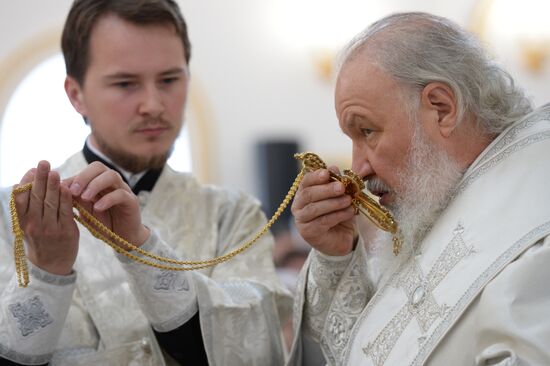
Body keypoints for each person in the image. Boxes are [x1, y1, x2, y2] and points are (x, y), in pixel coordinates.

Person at [0, 0, 292, 365]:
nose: (153, 105)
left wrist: (142, 249)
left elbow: (257, 351)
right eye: (125, 84)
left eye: (169, 80)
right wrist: (46, 269)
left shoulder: (231, 215)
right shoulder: (11, 217)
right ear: (76, 95)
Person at [287, 12, 550, 366]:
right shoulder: (438, 202)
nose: (358, 168)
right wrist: (337, 257)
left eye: (367, 131)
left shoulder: (533, 214)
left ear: (441, 108)